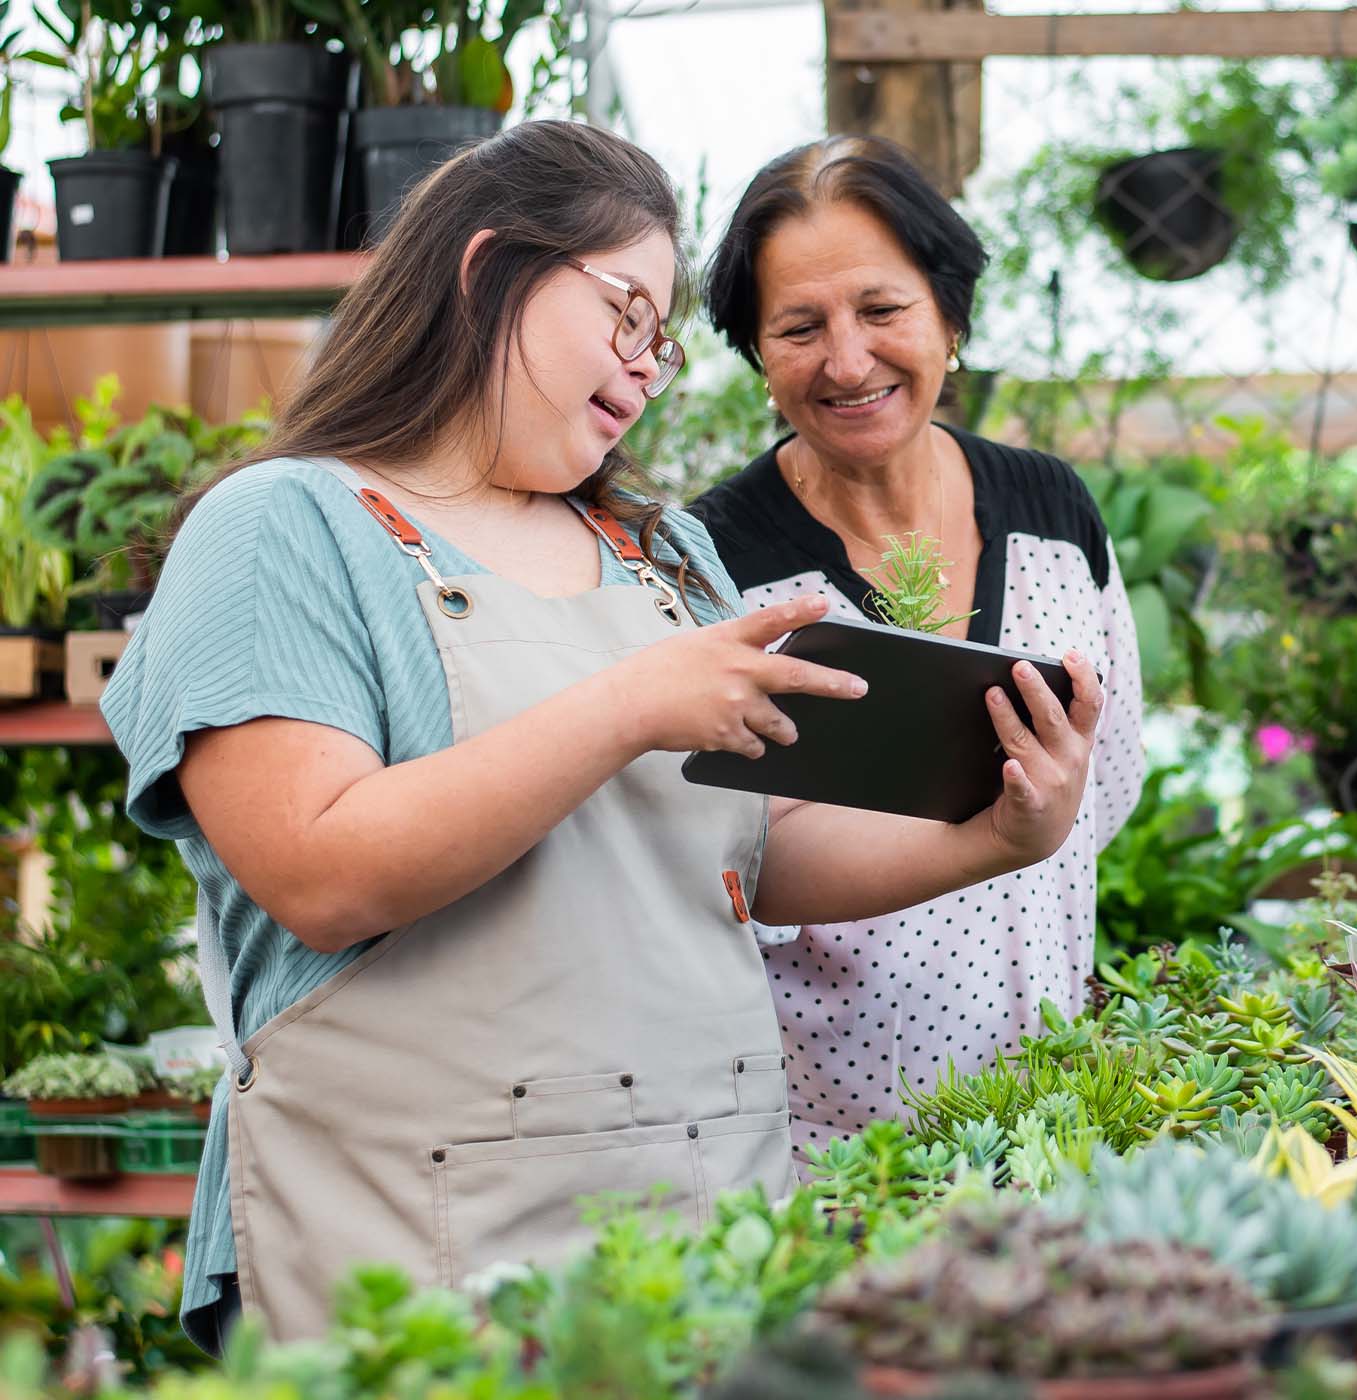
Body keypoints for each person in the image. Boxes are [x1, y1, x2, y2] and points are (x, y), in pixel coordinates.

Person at [99, 121, 1102, 1351]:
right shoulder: (285, 527)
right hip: (418, 1256)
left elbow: (752, 852)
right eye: (624, 311)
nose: (643, 367)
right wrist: (630, 703)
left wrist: (997, 834)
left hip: (706, 1239)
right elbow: (321, 868)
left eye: (661, 340)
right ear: (486, 272)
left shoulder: (661, 553)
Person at [691, 134, 1144, 1153]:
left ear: (948, 313)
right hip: (829, 1148)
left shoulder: (1051, 511)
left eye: (882, 310)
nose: (846, 362)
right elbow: (722, 866)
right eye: (798, 326)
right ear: (756, 351)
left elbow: (1102, 784)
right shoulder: (715, 566)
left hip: (1057, 1117)